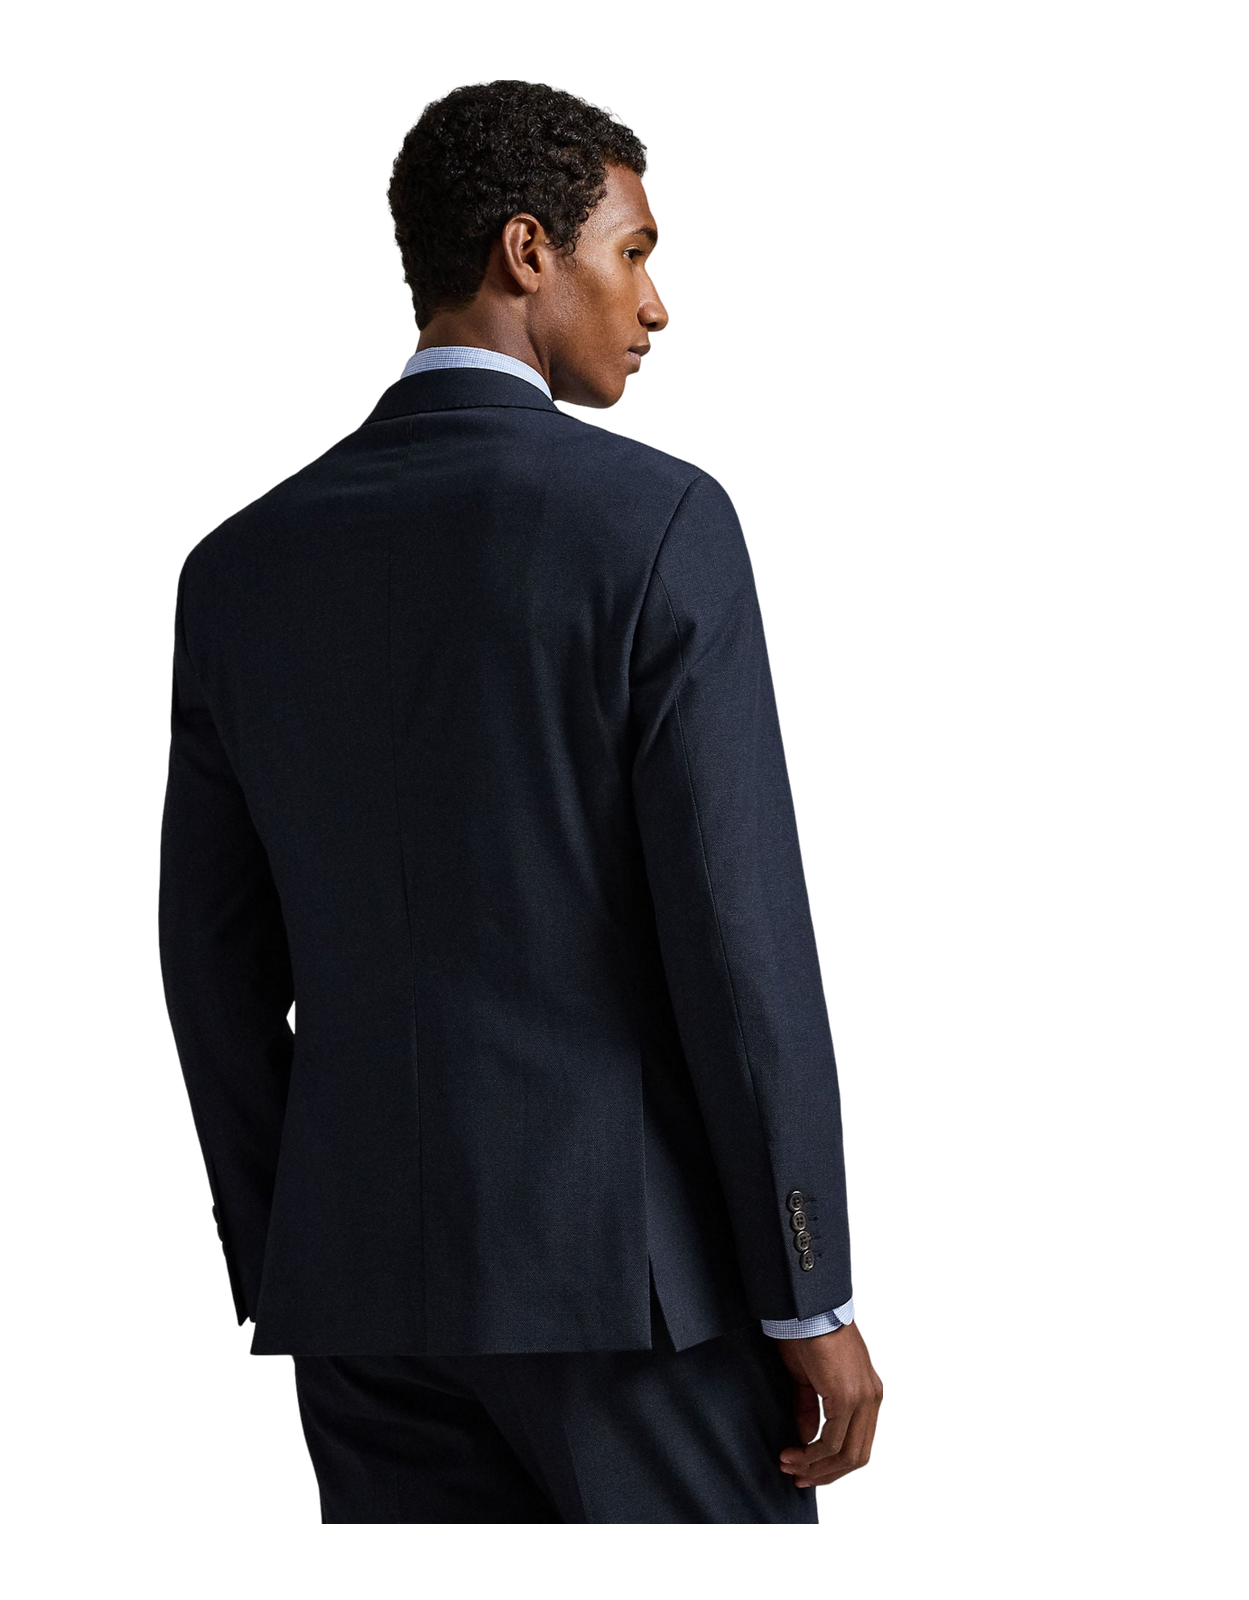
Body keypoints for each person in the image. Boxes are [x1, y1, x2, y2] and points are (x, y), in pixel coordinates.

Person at [159, 77, 882, 1524]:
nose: (658, 302)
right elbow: (735, 942)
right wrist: (812, 1293)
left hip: (357, 1294)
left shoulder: (238, 568)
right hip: (628, 1294)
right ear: (527, 250)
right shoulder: (655, 524)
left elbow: (211, 967)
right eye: (638, 251)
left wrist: (297, 1258)